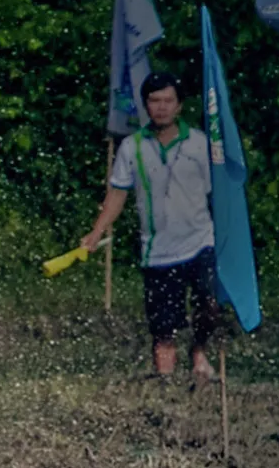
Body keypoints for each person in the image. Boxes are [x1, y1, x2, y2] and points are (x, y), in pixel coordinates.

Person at [81, 72, 221, 382]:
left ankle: (199, 352)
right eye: (154, 100)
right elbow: (117, 194)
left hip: (201, 240)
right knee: (162, 327)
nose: (161, 107)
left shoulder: (200, 143)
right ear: (146, 104)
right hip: (158, 250)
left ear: (179, 105)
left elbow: (220, 195)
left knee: (210, 305)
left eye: (168, 100)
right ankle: (165, 383)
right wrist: (96, 231)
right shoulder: (132, 147)